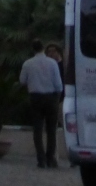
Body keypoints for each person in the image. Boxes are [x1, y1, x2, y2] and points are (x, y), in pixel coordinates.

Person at [19, 38, 63, 168]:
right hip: (51, 97)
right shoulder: (52, 63)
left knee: (37, 129)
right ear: (43, 48)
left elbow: (22, 80)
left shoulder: (28, 64)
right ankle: (50, 158)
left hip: (36, 97)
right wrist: (57, 98)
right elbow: (58, 85)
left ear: (33, 49)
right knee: (51, 130)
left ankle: (41, 159)